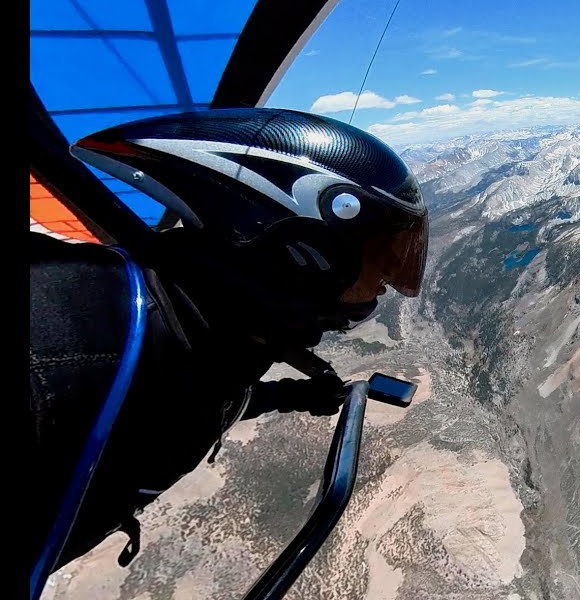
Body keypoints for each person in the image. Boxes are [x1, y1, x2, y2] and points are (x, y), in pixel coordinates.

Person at [27, 108, 429, 584]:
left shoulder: (201, 333)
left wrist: (291, 396)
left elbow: (181, 394)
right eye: (380, 256)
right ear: (305, 254)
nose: (386, 282)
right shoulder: (66, 341)